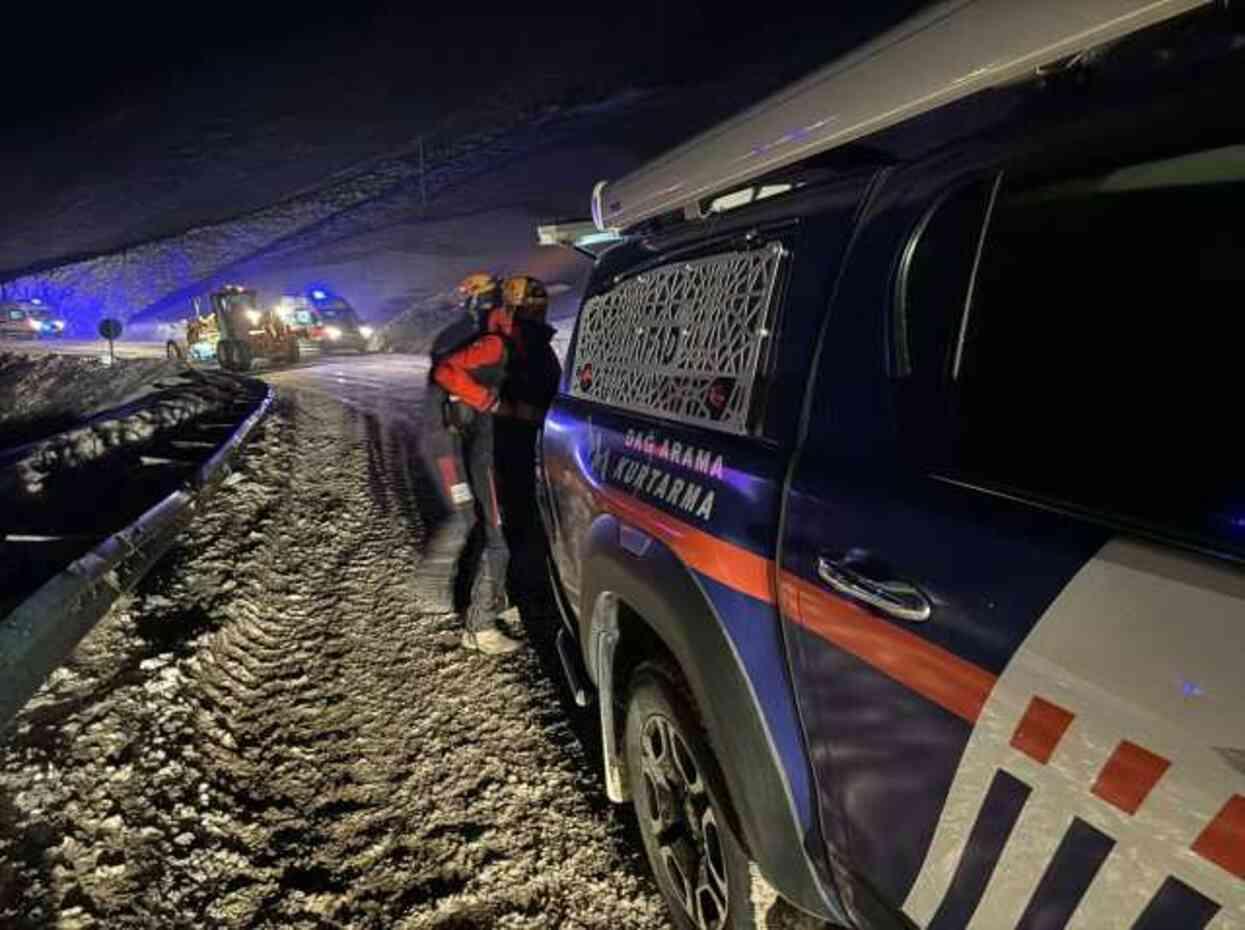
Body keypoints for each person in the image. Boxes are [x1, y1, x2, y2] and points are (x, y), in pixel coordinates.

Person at [419, 273, 520, 655]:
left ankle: (496, 601)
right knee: (491, 533)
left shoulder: (488, 339)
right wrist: (485, 402)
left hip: (486, 446)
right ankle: (479, 623)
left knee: (499, 529)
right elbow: (445, 388)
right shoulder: (476, 342)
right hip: (474, 450)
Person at [494, 275, 561, 603]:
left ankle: (526, 587)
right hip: (516, 446)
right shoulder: (510, 346)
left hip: (528, 442)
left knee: (526, 517)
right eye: (532, 306)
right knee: (522, 519)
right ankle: (523, 591)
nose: (538, 312)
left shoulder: (532, 344)